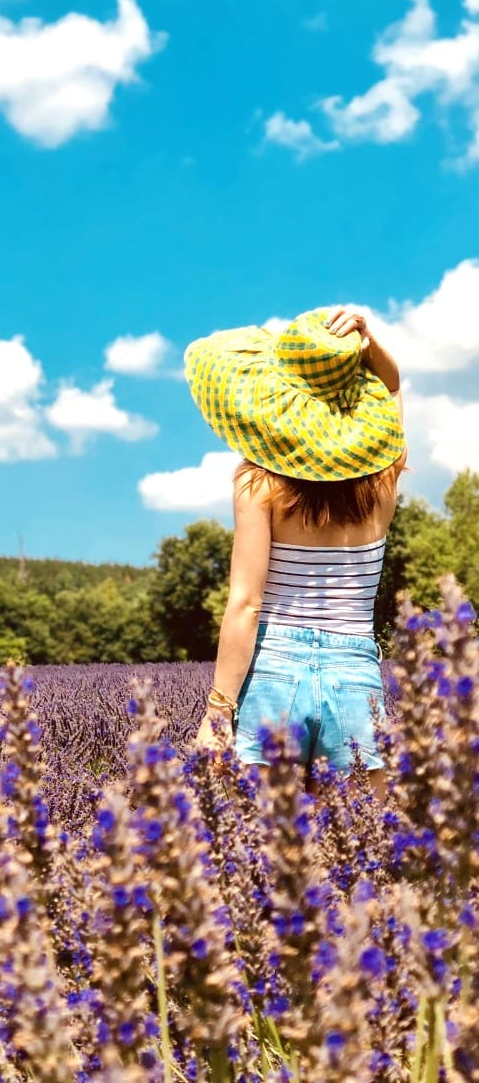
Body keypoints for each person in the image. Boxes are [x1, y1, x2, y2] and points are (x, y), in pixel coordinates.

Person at [185, 305, 406, 804]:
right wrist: (364, 345)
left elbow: (245, 603)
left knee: (261, 854)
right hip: (355, 675)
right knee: (357, 847)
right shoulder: (384, 481)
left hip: (273, 670)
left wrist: (217, 712)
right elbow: (392, 391)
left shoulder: (257, 482)